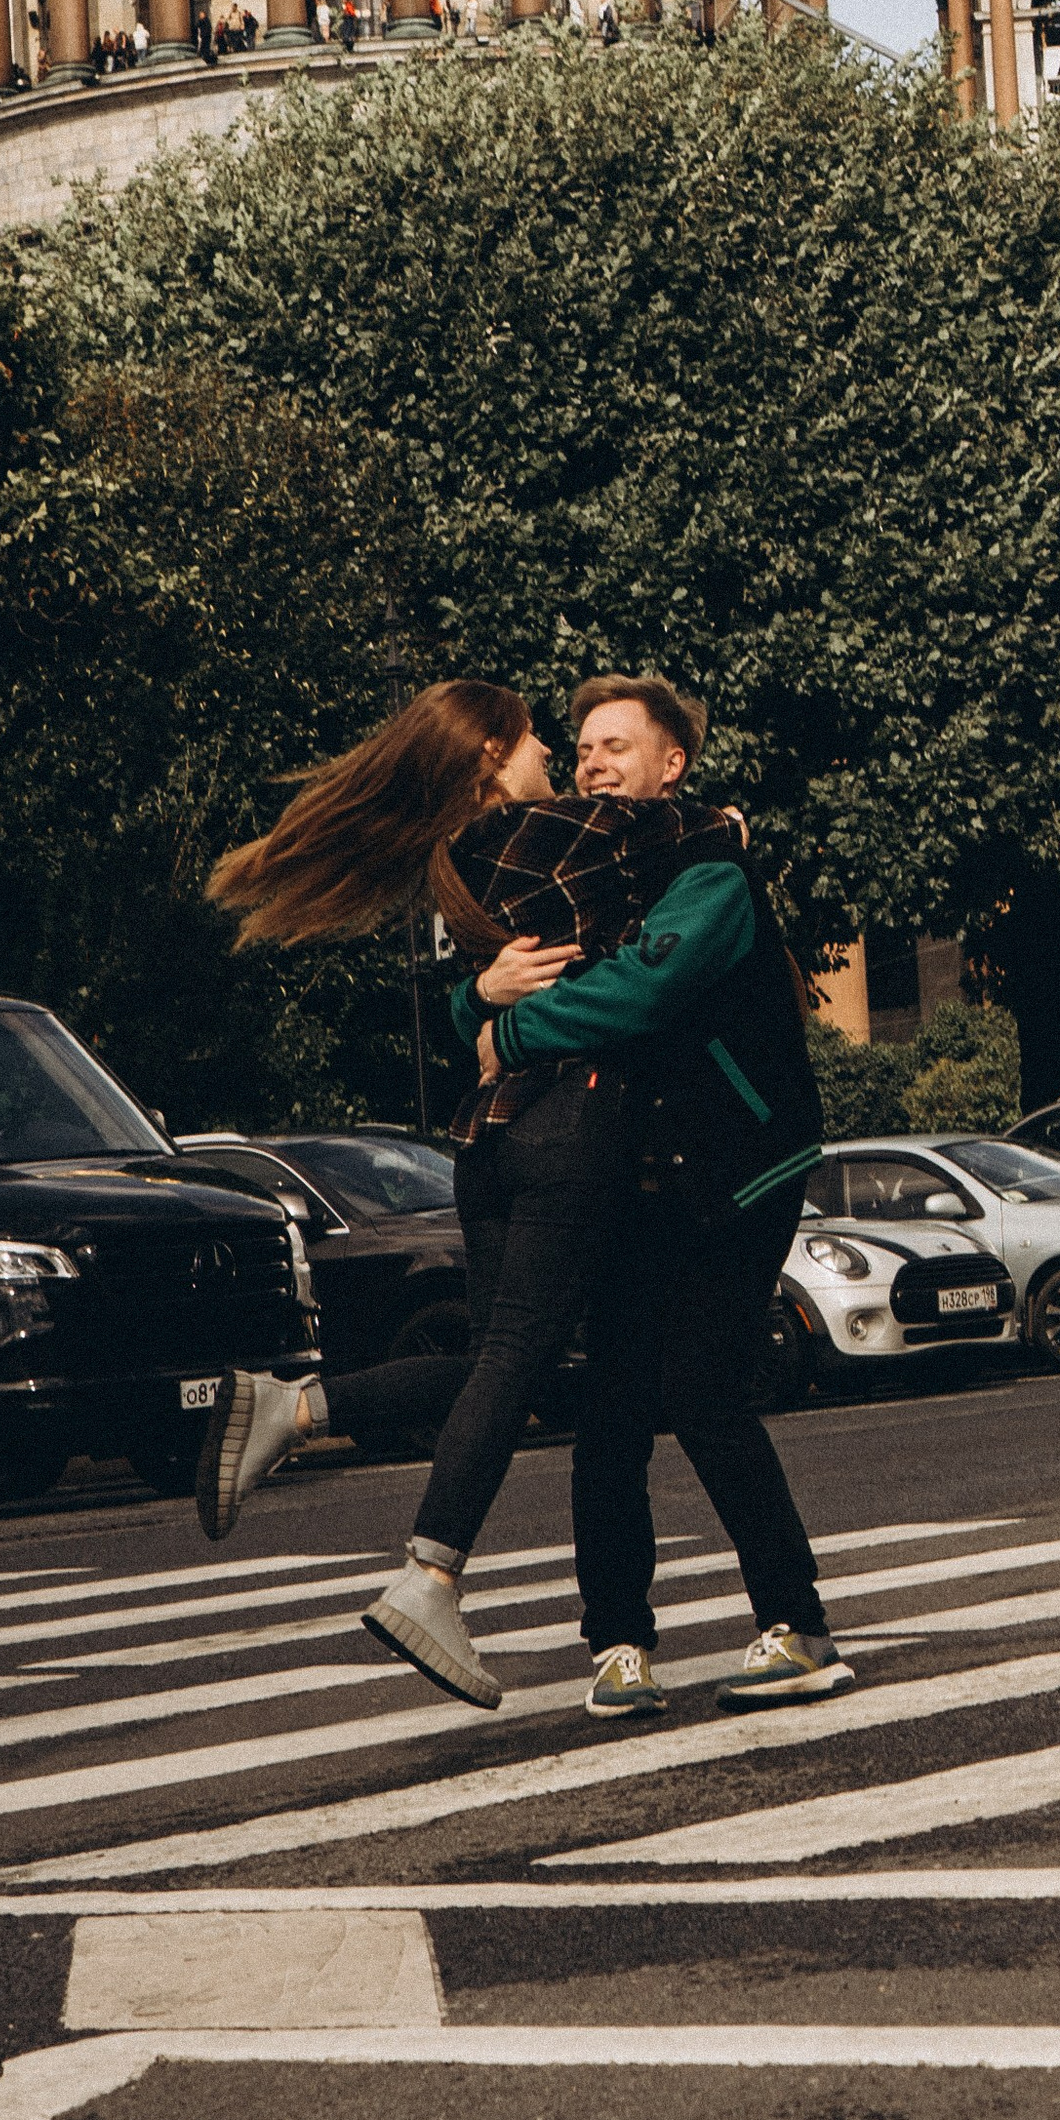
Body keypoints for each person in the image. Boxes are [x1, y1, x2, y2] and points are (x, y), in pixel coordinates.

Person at [203, 681, 739, 1706]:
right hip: (572, 1126)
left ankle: (303, 1405)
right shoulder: (564, 834)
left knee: (504, 1361)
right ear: (496, 750)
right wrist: (726, 823)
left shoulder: (458, 859)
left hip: (485, 1139)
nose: (567, 760)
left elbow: (469, 995)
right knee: (515, 1359)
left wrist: (475, 1002)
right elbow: (686, 834)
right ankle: (432, 1572)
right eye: (549, 740)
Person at [463, 674, 845, 1716]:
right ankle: (618, 1648)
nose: (590, 762)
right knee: (611, 1410)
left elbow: (640, 989)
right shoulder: (594, 872)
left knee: (704, 1389)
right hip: (635, 1174)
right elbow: (504, 965)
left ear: (670, 764)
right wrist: (475, 999)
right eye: (581, 747)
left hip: (734, 1164)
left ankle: (798, 1625)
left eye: (615, 746)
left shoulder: (707, 868)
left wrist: (511, 1032)